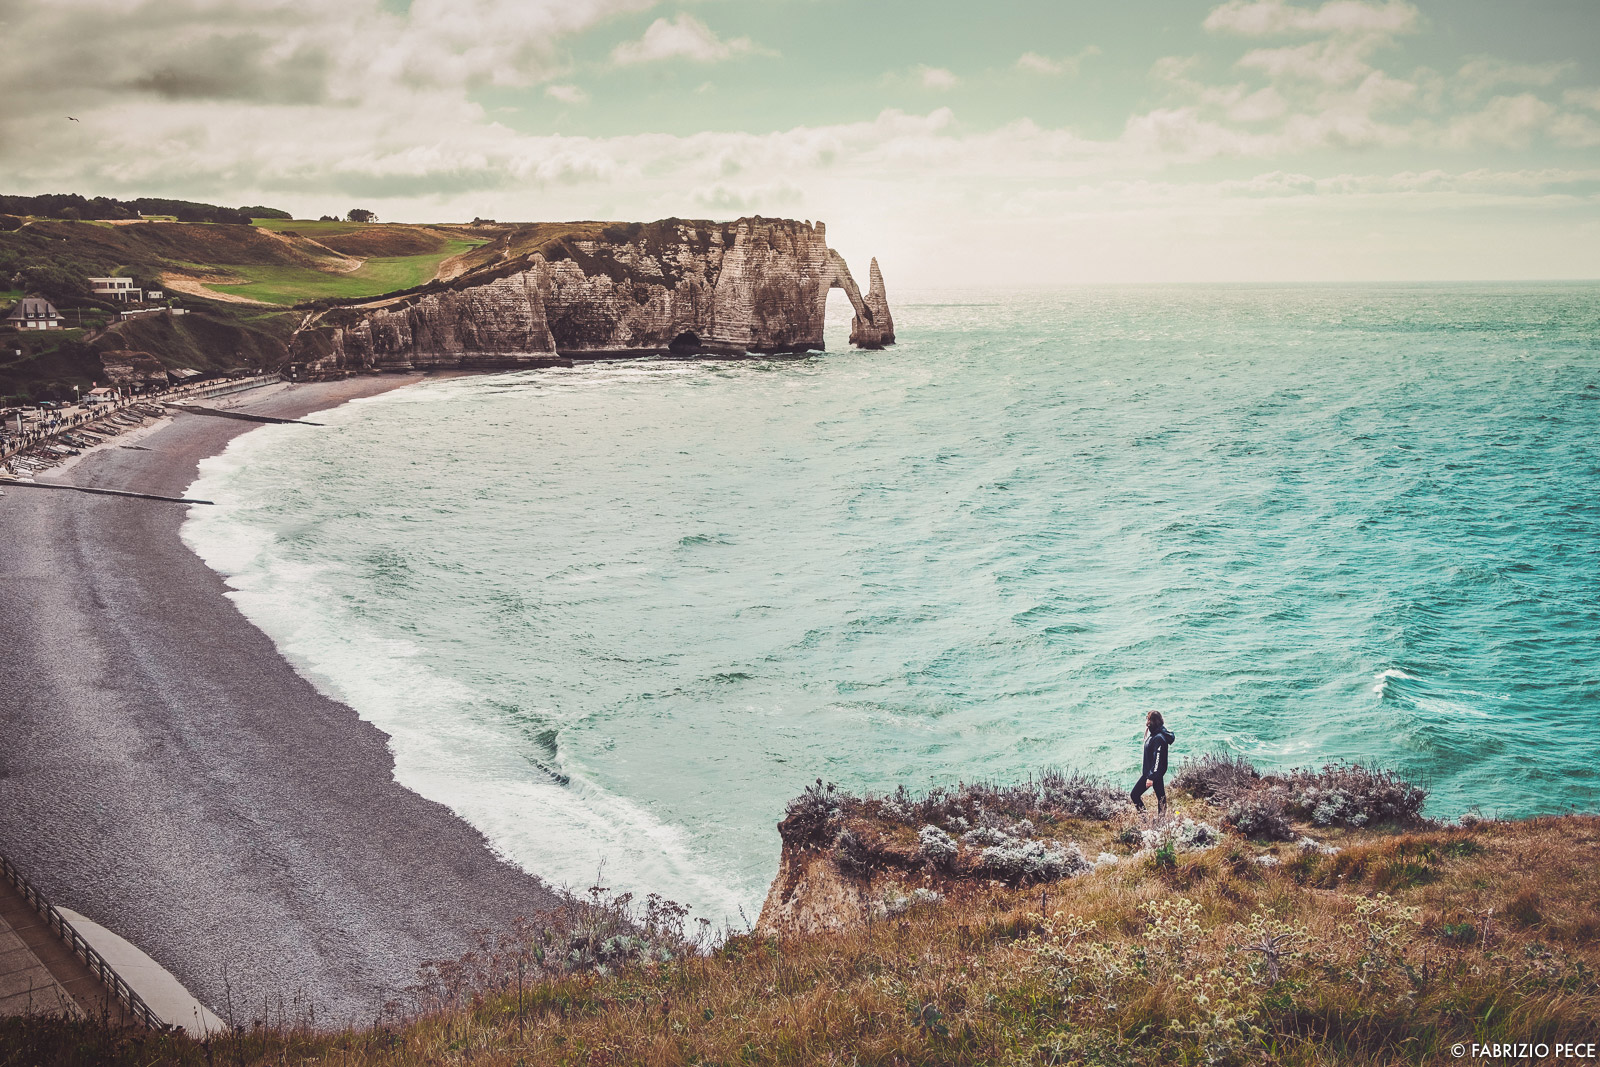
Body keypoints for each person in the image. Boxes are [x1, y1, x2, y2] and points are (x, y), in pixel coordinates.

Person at [1132, 711, 1175, 814]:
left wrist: (1151, 777)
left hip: (1152, 774)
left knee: (1134, 795)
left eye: (1148, 719)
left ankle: (1145, 819)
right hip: (1155, 773)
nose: (1146, 722)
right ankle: (1161, 822)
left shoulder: (1158, 738)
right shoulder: (1155, 734)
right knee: (1161, 798)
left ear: (1152, 721)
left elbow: (1157, 759)